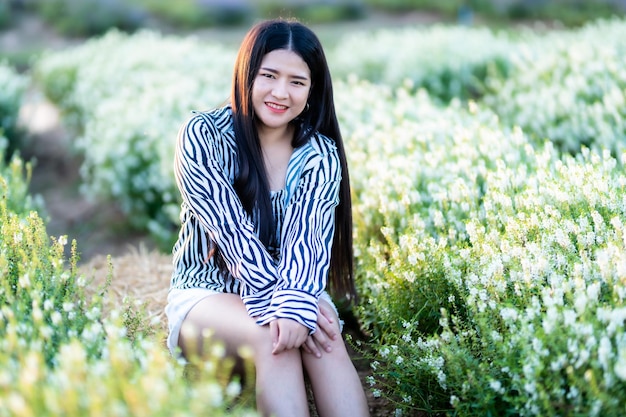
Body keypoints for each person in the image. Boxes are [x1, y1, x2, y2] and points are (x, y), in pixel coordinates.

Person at [165, 18, 370, 417]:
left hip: (292, 285)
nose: (281, 92)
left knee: (326, 343)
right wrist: (289, 308)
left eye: (297, 81)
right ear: (246, 74)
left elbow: (309, 243)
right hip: (206, 293)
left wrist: (299, 302)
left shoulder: (319, 154)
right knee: (274, 339)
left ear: (313, 90)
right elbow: (231, 233)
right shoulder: (202, 134)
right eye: (269, 76)